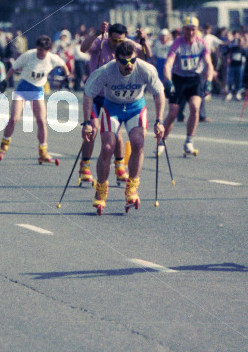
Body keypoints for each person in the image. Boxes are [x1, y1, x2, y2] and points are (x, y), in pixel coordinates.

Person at [81, 41, 166, 214]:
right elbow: (89, 94)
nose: (129, 65)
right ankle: (101, 190)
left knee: (138, 143)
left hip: (135, 108)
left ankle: (132, 188)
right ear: (116, 58)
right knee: (107, 147)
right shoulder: (106, 71)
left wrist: (159, 121)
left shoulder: (145, 69)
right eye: (124, 62)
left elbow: (159, 94)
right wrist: (87, 123)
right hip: (112, 108)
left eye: (132, 61)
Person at [76, 22, 150, 186]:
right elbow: (83, 48)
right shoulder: (100, 42)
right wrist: (96, 33)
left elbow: (146, 55)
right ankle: (85, 166)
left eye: (121, 41)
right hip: (96, 94)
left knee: (116, 133)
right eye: (114, 41)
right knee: (93, 129)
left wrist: (143, 40)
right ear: (109, 36)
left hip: (115, 96)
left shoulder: (127, 47)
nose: (118, 45)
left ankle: (119, 166)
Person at [0, 35, 68, 164]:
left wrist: (67, 77)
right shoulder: (29, 55)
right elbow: (13, 67)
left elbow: (64, 65)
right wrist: (5, 81)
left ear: (48, 50)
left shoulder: (52, 58)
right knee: (14, 118)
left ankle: (43, 151)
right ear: (36, 47)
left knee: (42, 121)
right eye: (39, 49)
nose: (41, 53)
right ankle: (4, 142)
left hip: (37, 91)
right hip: (22, 89)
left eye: (44, 50)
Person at [161, 16, 213, 157]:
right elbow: (168, 64)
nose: (190, 33)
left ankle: (189, 141)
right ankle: (162, 140)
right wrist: (168, 81)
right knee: (173, 112)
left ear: (197, 30)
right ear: (183, 30)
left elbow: (209, 64)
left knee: (195, 107)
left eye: (193, 30)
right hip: (179, 79)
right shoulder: (177, 43)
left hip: (194, 79)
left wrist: (208, 80)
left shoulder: (201, 43)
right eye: (187, 29)